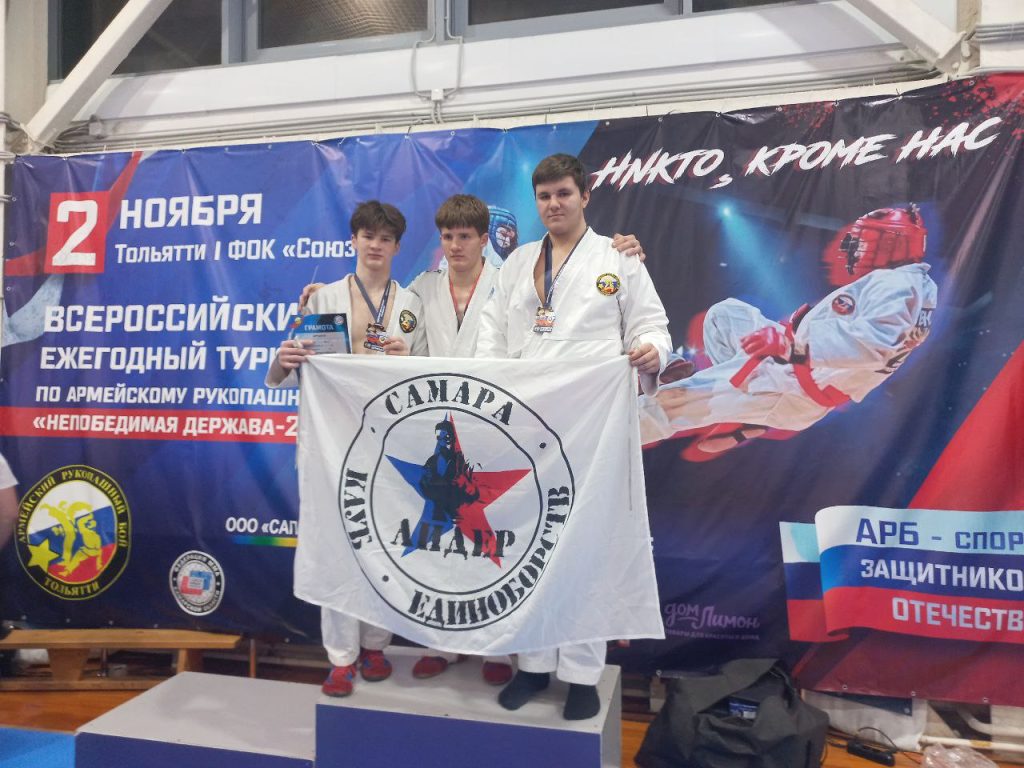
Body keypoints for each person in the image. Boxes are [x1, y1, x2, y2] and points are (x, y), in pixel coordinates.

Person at [475, 153, 672, 720]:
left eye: (563, 193)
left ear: (585, 195)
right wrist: (490, 387)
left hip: (595, 423)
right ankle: (533, 666)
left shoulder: (618, 257)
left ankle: (584, 673)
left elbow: (652, 324)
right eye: (544, 196)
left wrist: (652, 351)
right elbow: (491, 333)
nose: (553, 204)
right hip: (526, 421)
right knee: (529, 542)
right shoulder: (517, 264)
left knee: (589, 545)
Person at [267, 200, 426, 698]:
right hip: (331, 442)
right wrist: (283, 357)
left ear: (397, 247)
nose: (375, 245)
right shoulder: (323, 297)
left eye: (385, 238)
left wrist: (408, 359)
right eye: (367, 235)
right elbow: (283, 373)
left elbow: (430, 376)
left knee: (384, 543)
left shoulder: (411, 303)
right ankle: (340, 656)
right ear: (353, 240)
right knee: (336, 549)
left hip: (388, 442)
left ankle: (376, 644)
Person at [639, 206, 938, 452]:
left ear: (890, 243)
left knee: (668, 403)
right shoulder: (914, 284)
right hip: (792, 367)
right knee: (725, 315)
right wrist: (789, 343)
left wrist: (791, 347)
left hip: (791, 387)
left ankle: (612, 436)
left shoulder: (897, 286)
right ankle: (740, 408)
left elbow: (873, 346)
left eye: (864, 241)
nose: (854, 248)